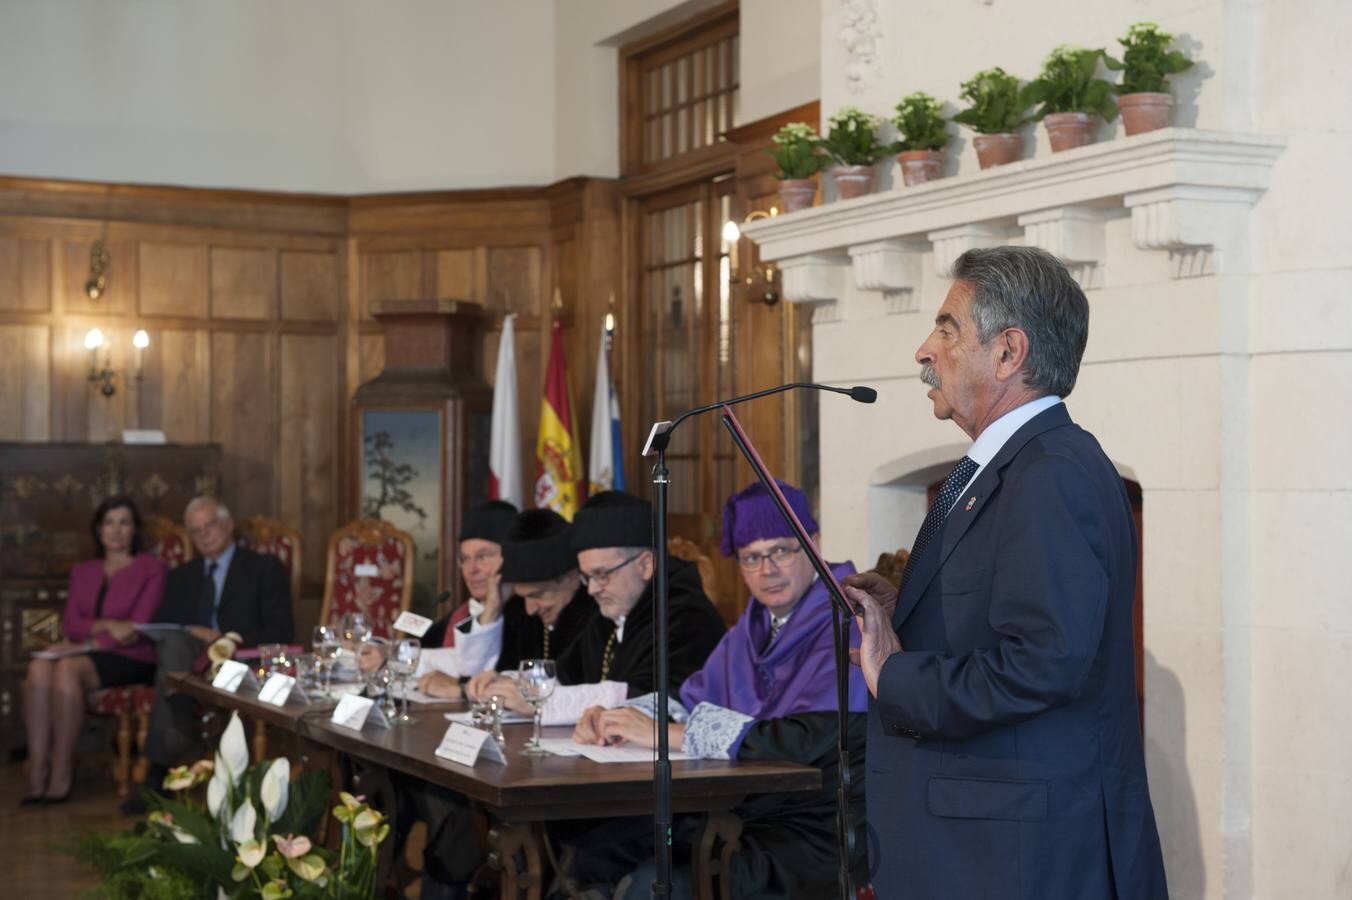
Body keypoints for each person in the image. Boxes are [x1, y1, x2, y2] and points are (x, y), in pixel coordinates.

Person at [844, 246, 1168, 899]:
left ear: (1008, 352)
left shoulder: (1050, 471)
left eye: (947, 328)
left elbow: (1043, 661)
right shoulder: (1010, 466)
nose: (924, 350)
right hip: (989, 849)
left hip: (1023, 859)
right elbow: (1004, 613)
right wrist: (904, 603)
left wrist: (895, 674)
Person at [568, 480, 870, 899]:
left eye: (781, 550)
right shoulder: (751, 627)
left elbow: (808, 739)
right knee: (595, 851)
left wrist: (664, 733)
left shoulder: (847, 622)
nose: (767, 570)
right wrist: (620, 718)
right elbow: (689, 701)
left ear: (814, 544)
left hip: (814, 829)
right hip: (741, 810)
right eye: (751, 557)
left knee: (649, 887)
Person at [471, 490, 725, 722]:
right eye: (587, 577)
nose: (592, 589)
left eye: (602, 575)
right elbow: (565, 674)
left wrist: (539, 700)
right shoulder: (615, 611)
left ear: (646, 565)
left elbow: (655, 700)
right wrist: (509, 681)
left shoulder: (688, 616)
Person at [126, 495, 292, 813]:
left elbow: (281, 630)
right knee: (174, 644)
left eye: (209, 525)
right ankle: (176, 732)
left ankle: (160, 768)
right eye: (195, 529)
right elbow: (167, 624)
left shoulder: (262, 568)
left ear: (228, 525)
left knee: (172, 664)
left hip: (240, 658)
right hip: (190, 659)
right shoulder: (181, 576)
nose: (203, 534)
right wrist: (194, 632)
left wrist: (224, 638)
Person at [22, 495, 166, 805]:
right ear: (99, 530)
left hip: (134, 657)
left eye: (124, 522)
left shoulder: (151, 568)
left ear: (134, 530)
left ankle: (61, 774)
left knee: (67, 667)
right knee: (38, 668)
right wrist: (104, 626)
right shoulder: (83, 571)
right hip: (86, 652)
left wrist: (89, 640)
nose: (116, 530)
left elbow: (135, 628)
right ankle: (37, 771)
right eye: (109, 523)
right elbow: (71, 623)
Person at [409, 499, 518, 699]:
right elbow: (422, 649)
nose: (470, 570)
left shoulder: (528, 613)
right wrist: (385, 654)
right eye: (465, 559)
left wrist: (459, 689)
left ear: (509, 559)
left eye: (482, 557)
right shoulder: (463, 613)